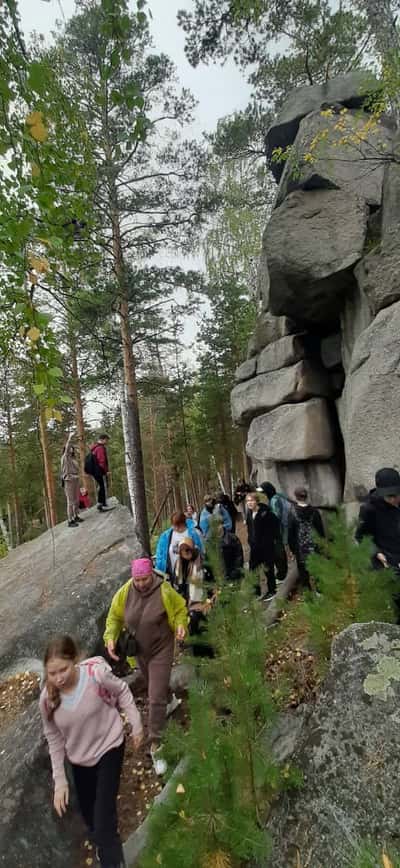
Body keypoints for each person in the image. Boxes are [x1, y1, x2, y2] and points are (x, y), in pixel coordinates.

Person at [39, 635, 143, 868]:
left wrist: (135, 721)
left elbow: (123, 691)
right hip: (80, 760)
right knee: (92, 821)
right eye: (52, 673)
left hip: (110, 747)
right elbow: (53, 737)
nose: (58, 678)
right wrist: (60, 781)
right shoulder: (47, 699)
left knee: (104, 821)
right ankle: (105, 850)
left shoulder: (96, 676)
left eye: (63, 670)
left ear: (75, 659)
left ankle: (113, 862)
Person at [104, 557, 188, 775]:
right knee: (156, 688)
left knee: (154, 695)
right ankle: (170, 701)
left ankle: (156, 745)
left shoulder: (164, 590)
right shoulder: (124, 593)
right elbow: (114, 617)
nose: (141, 583)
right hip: (140, 652)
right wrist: (110, 638)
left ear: (151, 575)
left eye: (145, 579)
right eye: (137, 580)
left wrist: (180, 625)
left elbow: (180, 609)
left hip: (162, 647)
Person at [355, 468, 400, 576]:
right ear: (380, 493)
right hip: (386, 563)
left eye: (397, 494)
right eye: (390, 496)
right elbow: (361, 536)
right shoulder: (369, 509)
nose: (395, 499)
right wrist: (377, 553)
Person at [245, 491, 282, 601]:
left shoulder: (266, 513)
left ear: (256, 501)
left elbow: (276, 525)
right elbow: (250, 529)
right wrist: (250, 540)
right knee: (253, 570)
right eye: (247, 501)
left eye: (251, 500)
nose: (249, 503)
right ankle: (256, 592)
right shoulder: (249, 513)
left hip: (266, 547)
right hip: (254, 548)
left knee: (268, 569)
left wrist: (271, 539)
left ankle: (272, 591)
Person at [288, 487, 325, 587]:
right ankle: (319, 591)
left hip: (300, 548)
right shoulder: (315, 511)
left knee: (303, 572)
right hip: (315, 546)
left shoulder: (292, 513)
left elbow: (290, 533)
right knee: (317, 570)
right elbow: (320, 531)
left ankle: (308, 593)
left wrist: (292, 549)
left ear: (296, 497)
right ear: (306, 496)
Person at [155, 511, 203, 580]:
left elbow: (200, 551)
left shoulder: (193, 534)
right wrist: (160, 569)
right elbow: (160, 553)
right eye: (174, 526)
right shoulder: (165, 536)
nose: (176, 528)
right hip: (172, 571)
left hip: (190, 570)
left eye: (179, 526)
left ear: (184, 523)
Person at [257, 481, 289, 581]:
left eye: (263, 492)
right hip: (282, 529)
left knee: (278, 553)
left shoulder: (274, 500)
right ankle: (282, 572)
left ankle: (282, 575)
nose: (262, 494)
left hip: (279, 531)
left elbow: (276, 517)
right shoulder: (277, 496)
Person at [61, 433, 82, 528]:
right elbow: (67, 449)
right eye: (69, 448)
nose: (71, 450)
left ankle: (75, 516)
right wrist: (70, 438)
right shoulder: (65, 458)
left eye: (72, 449)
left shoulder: (73, 459)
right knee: (71, 501)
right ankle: (70, 520)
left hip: (75, 479)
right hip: (68, 480)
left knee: (77, 499)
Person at [91, 434, 111, 512]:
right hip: (100, 471)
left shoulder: (95, 447)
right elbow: (102, 461)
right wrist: (105, 472)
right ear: (103, 439)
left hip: (96, 471)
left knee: (101, 486)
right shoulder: (100, 448)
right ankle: (100, 505)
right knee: (102, 487)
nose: (107, 441)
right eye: (106, 440)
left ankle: (102, 503)